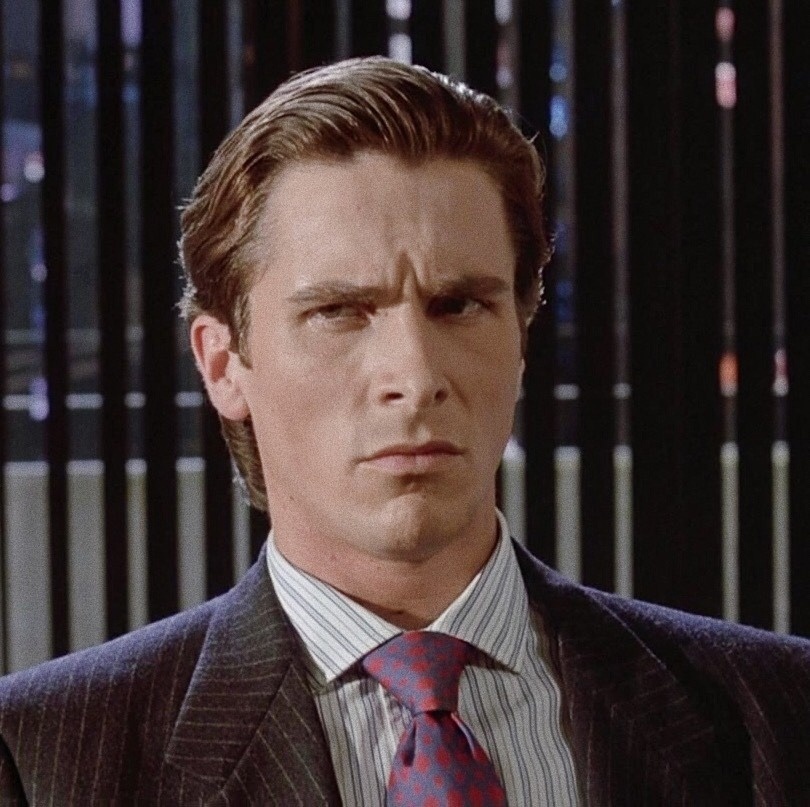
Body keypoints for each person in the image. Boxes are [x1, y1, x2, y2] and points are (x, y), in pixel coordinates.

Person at [0, 56, 808, 806]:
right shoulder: (45, 759)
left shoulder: (778, 713)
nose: (415, 375)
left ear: (521, 338)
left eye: (459, 305)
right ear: (223, 363)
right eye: (340, 311)